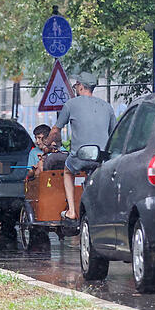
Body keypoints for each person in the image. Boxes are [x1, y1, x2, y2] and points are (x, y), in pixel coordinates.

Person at [47, 71, 116, 221]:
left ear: (80, 86)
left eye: (76, 85)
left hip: (80, 156)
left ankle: (72, 211)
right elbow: (114, 134)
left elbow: (55, 130)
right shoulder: (107, 106)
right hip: (101, 157)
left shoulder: (71, 104)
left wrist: (47, 143)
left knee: (68, 171)